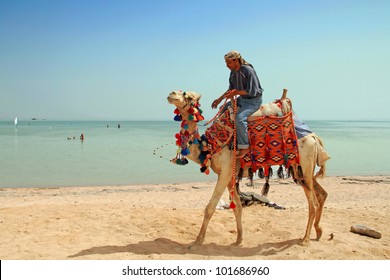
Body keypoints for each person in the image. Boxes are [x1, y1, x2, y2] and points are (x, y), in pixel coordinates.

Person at [212, 50, 263, 157]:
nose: (227, 65)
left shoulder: (248, 70)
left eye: (228, 62)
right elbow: (231, 89)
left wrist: (236, 93)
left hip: (253, 101)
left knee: (239, 118)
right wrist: (219, 99)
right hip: (242, 99)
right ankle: (228, 137)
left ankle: (244, 146)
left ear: (236, 60)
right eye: (226, 63)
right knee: (223, 109)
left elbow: (252, 91)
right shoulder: (233, 72)